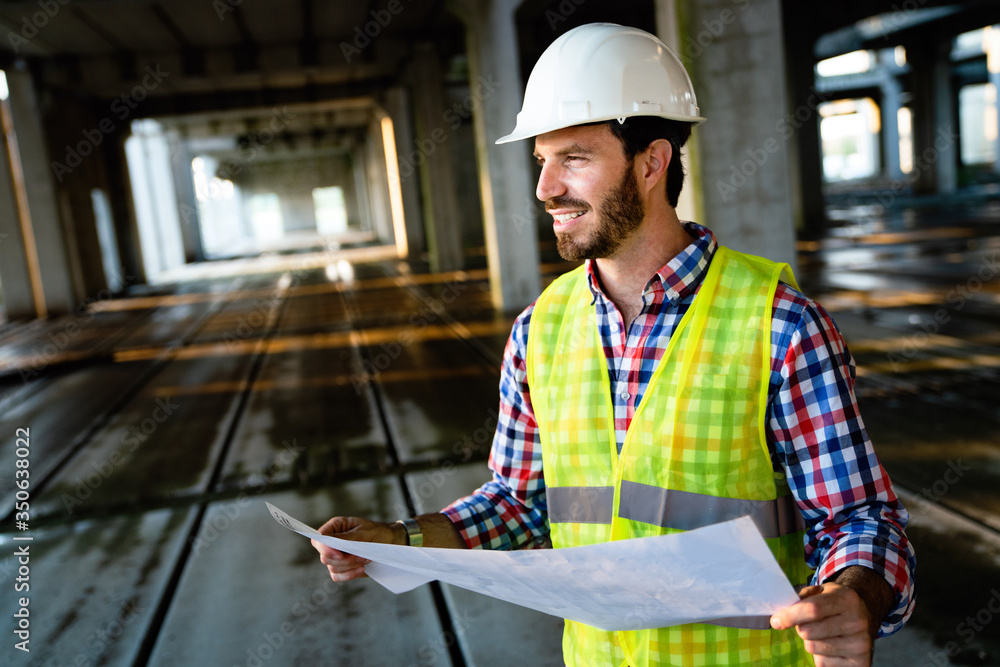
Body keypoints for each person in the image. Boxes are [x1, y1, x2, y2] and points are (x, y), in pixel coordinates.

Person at [311, 23, 915, 667]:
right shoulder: (538, 331)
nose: (545, 189)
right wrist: (399, 540)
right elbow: (521, 504)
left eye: (573, 158)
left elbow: (860, 519)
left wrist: (857, 594)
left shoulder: (780, 326)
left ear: (651, 162)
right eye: (541, 160)